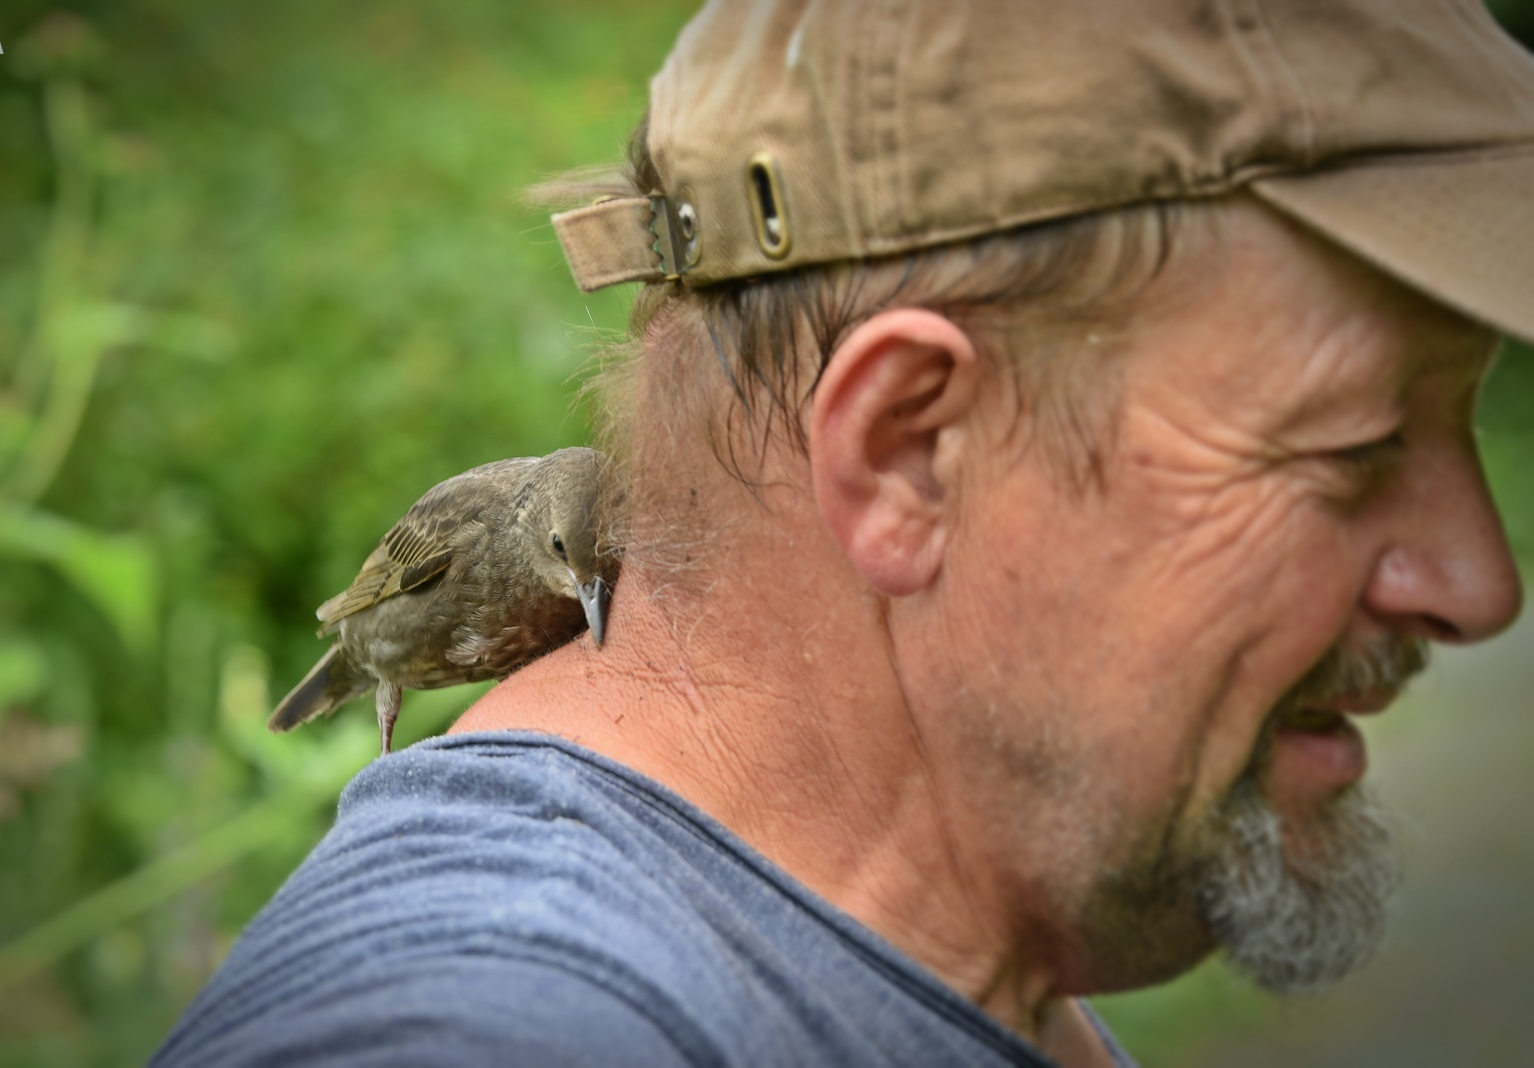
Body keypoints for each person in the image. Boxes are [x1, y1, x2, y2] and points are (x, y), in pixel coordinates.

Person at [153, 0, 1533, 1064]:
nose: (1482, 582)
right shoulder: (493, 1028)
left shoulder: (900, 959)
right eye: (1355, 449)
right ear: (911, 454)